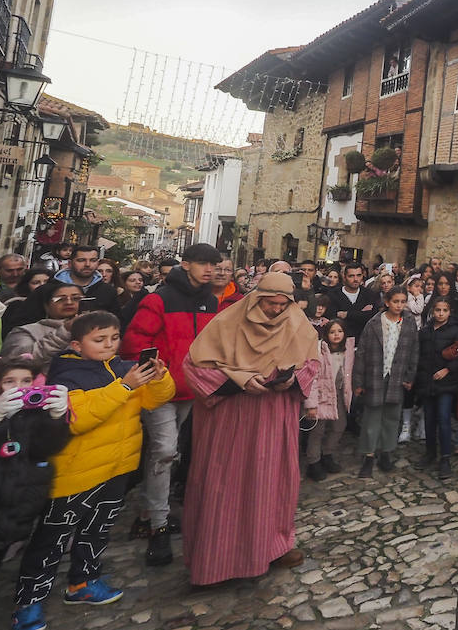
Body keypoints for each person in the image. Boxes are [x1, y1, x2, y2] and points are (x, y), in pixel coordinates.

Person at [10, 312, 174, 630]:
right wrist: (124, 386)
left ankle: (83, 581)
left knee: (97, 531)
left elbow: (157, 400)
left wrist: (158, 377)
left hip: (117, 467)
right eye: (99, 340)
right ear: (76, 344)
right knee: (51, 541)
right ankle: (29, 601)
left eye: (114, 338)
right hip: (76, 472)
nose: (109, 345)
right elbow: (80, 418)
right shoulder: (66, 373)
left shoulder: (123, 367)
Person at [181, 272, 320, 587]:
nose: (275, 310)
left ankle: (273, 546)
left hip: (274, 417)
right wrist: (240, 379)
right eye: (270, 303)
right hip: (230, 420)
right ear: (257, 297)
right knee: (223, 486)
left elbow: (311, 363)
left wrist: (290, 379)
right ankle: (215, 561)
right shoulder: (227, 322)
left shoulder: (298, 324)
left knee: (272, 482)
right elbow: (195, 366)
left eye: (282, 304)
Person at [120, 242, 220, 565]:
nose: (209, 270)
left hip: (192, 390)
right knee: (164, 450)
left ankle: (148, 514)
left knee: (168, 451)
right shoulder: (158, 299)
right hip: (161, 390)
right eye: (203, 264)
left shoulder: (209, 301)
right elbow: (135, 345)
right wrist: (155, 377)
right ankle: (159, 528)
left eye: (213, 265)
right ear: (186, 264)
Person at [0, 355, 72, 594]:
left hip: (11, 514)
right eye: (9, 381)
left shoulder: (34, 415)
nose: (19, 388)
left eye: (26, 381)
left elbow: (47, 449)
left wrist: (57, 418)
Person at [351, 286, 418, 477]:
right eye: (395, 301)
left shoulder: (409, 323)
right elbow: (362, 353)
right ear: (387, 302)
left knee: (391, 417)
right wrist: (358, 381)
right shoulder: (374, 323)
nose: (399, 305)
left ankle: (386, 451)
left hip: (397, 375)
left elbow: (414, 350)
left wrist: (409, 376)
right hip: (375, 374)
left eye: (402, 302)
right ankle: (369, 455)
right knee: (372, 417)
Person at [415, 295, 458, 479]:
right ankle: (430, 452)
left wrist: (448, 369)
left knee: (444, 419)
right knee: (429, 420)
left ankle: (445, 457)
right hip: (427, 381)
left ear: (449, 312)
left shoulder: (456, 331)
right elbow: (419, 355)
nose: (440, 313)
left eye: (444, 310)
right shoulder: (426, 331)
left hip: (446, 383)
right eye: (437, 310)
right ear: (433, 311)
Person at [304, 320, 355, 482]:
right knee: (317, 430)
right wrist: (311, 404)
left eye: (339, 331)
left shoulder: (347, 350)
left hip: (338, 394)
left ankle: (327, 453)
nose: (336, 335)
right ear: (326, 334)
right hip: (320, 395)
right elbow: (312, 378)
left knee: (339, 426)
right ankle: (314, 461)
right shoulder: (319, 351)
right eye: (332, 332)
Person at [2, 280, 85, 367]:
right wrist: (64, 331)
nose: (69, 302)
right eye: (61, 299)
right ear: (46, 305)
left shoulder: (93, 326)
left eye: (76, 298)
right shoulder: (25, 332)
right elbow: (18, 363)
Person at [53, 245, 119, 315]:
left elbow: (117, 322)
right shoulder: (51, 288)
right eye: (81, 260)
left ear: (97, 263)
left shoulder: (108, 291)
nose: (87, 264)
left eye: (93, 260)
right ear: (70, 263)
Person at [325, 262, 378, 340]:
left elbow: (373, 316)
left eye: (359, 275)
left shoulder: (369, 294)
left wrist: (347, 314)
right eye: (351, 276)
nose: (355, 279)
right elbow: (333, 317)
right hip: (340, 340)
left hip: (362, 339)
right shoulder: (333, 294)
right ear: (344, 277)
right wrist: (361, 313)